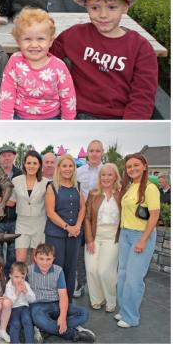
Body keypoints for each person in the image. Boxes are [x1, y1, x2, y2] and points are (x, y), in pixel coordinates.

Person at [51, 0, 157, 119]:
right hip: (75, 113)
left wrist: (127, 128)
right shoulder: (74, 35)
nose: (103, 15)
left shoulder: (141, 48)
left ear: (125, 7)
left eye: (112, 7)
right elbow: (46, 56)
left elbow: (143, 97)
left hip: (118, 118)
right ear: (86, 7)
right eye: (95, 7)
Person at [0, 8, 76, 119]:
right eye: (27, 39)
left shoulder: (59, 67)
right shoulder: (15, 62)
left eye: (40, 39)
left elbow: (68, 98)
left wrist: (67, 124)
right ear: (18, 41)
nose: (34, 44)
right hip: (19, 117)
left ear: (50, 41)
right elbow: (7, 93)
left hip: (52, 118)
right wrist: (6, 123)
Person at [116, 153, 160, 328]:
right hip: (125, 234)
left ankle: (131, 317)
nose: (132, 169)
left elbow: (154, 216)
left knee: (134, 279)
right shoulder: (128, 187)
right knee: (123, 275)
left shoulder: (150, 188)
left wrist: (143, 240)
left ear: (144, 166)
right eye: (129, 166)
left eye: (136, 165)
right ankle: (125, 309)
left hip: (140, 236)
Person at [27, 243, 95, 342]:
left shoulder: (58, 271)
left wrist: (62, 317)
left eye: (48, 259)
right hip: (38, 306)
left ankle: (47, 329)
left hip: (56, 304)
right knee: (37, 317)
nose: (44, 263)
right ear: (35, 258)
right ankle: (73, 334)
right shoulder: (28, 271)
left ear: (53, 259)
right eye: (41, 259)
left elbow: (63, 296)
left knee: (84, 313)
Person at [44, 154, 85, 301]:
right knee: (57, 269)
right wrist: (68, 227)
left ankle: (67, 304)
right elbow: (50, 212)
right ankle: (54, 303)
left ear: (74, 168)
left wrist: (78, 226)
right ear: (59, 168)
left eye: (70, 166)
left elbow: (83, 207)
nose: (67, 169)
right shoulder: (52, 186)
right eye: (64, 166)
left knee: (71, 269)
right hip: (56, 235)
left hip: (75, 235)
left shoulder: (77, 186)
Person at [83, 163, 121, 312]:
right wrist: (89, 239)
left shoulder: (121, 193)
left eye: (109, 174)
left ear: (115, 176)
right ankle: (97, 299)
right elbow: (87, 218)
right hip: (95, 236)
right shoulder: (93, 194)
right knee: (92, 269)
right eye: (103, 174)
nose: (106, 177)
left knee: (105, 271)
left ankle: (110, 300)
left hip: (112, 238)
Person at [74, 139, 104, 297]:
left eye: (97, 151)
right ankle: (81, 283)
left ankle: (98, 286)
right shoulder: (79, 171)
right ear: (87, 153)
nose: (94, 154)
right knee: (79, 253)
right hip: (81, 217)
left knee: (98, 252)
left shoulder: (107, 171)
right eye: (91, 151)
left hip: (101, 219)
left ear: (102, 152)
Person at [14, 150, 50, 264]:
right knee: (20, 260)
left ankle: (35, 282)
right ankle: (21, 282)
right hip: (22, 223)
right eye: (29, 163)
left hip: (39, 224)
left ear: (39, 165)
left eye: (35, 163)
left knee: (37, 261)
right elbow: (10, 202)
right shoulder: (16, 181)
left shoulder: (46, 182)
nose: (31, 166)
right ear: (24, 164)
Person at [0, 145, 23, 272]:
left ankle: (10, 277)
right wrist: (6, 201)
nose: (6, 158)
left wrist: (1, 200)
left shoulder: (20, 174)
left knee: (12, 253)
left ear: (14, 156)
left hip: (14, 219)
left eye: (9, 155)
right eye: (3, 155)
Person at [5, 262, 36, 343]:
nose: (19, 280)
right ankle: (15, 342)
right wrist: (17, 292)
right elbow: (9, 301)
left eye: (22, 277)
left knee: (27, 321)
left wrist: (26, 291)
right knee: (15, 323)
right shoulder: (8, 286)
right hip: (13, 308)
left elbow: (33, 299)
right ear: (10, 275)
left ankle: (30, 342)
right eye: (16, 277)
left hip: (24, 307)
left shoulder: (25, 284)